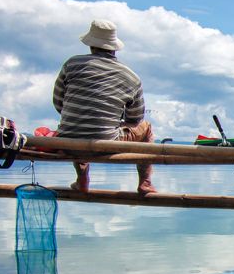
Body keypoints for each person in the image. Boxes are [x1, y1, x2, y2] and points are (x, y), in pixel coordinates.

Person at [53, 19, 157, 194]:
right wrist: (113, 120)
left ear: (90, 45)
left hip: (68, 142)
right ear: (114, 47)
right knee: (146, 128)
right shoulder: (131, 76)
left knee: (79, 123)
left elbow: (58, 103)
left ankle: (82, 179)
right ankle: (145, 183)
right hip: (105, 145)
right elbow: (135, 119)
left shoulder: (72, 64)